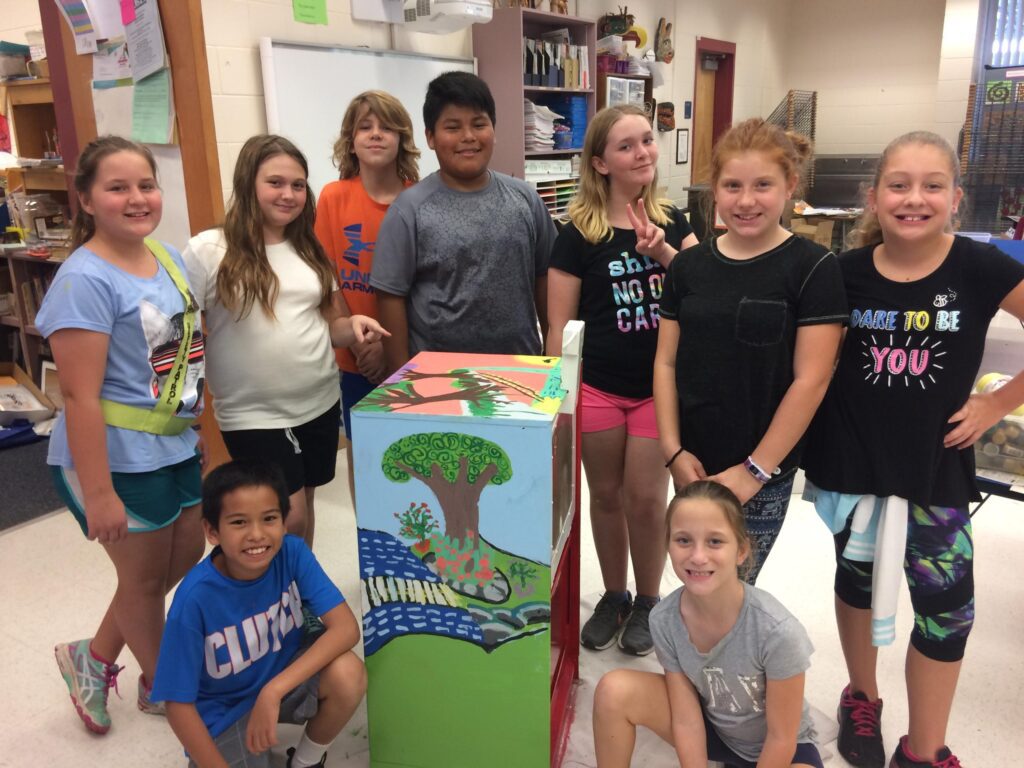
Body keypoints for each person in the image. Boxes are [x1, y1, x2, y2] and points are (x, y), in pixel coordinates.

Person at [802, 131, 1024, 768]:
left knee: (947, 611)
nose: (913, 199)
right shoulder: (839, 273)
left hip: (938, 468)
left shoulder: (980, 269)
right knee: (858, 580)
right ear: (873, 198)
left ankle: (924, 749)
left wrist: (997, 402)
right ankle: (861, 694)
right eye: (898, 185)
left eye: (932, 186)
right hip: (855, 465)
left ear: (956, 197)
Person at [38, 135, 207, 734]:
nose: (136, 198)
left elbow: (179, 354)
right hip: (118, 456)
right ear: (85, 199)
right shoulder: (84, 281)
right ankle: (167, 689)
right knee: (140, 582)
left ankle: (93, 655)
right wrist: (100, 491)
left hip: (174, 442)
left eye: (146, 185)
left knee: (183, 555)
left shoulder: (165, 256)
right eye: (117, 188)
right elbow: (79, 396)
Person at [652, 117, 847, 582]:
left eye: (763, 185)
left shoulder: (813, 268)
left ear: (789, 186)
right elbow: (665, 361)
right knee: (693, 581)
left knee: (735, 589)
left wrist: (754, 471)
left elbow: (812, 379)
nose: (746, 200)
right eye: (732, 185)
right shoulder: (689, 267)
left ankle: (725, 660)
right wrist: (673, 451)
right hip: (692, 464)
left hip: (762, 471)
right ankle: (688, 658)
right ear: (713, 191)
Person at [183, 135, 387, 547]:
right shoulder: (209, 250)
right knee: (284, 517)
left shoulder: (309, 248)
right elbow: (183, 335)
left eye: (297, 184)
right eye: (275, 182)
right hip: (253, 411)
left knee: (304, 507)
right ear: (248, 183)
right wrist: (187, 418)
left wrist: (355, 325)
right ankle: (275, 601)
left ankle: (296, 599)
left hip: (319, 401)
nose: (288, 194)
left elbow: (331, 325)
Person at [546, 105, 698, 656]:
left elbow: (702, 297)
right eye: (628, 146)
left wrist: (661, 251)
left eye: (648, 142)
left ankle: (650, 599)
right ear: (600, 163)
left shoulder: (676, 222)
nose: (644, 154)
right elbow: (558, 327)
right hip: (598, 387)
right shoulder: (576, 235)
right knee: (605, 495)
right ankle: (614, 594)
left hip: (657, 390)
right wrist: (557, 400)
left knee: (645, 497)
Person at [152, 458, 367, 768]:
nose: (257, 534)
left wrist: (273, 690)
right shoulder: (194, 600)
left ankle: (306, 762)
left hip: (281, 675)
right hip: (225, 708)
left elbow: (346, 629)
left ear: (283, 520)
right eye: (239, 522)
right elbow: (177, 704)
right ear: (212, 531)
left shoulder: (291, 552)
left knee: (348, 674)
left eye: (269, 518)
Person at [593, 481, 823, 768]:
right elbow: (686, 719)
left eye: (715, 541)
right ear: (668, 545)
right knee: (613, 691)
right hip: (717, 734)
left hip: (785, 752)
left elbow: (781, 738)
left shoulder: (778, 631)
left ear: (741, 550)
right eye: (683, 540)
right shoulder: (663, 619)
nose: (698, 556)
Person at [371, 71, 554, 373]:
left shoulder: (526, 199)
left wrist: (553, 361)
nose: (468, 137)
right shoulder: (409, 210)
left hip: (521, 372)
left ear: (494, 129)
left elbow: (545, 278)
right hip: (438, 380)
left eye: (479, 124)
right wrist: (402, 379)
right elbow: (390, 297)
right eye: (452, 127)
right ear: (430, 137)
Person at [314, 90, 419, 504]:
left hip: (409, 355)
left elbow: (422, 286)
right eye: (365, 126)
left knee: (412, 459)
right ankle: (373, 553)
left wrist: (389, 351)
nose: (376, 135)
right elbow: (329, 280)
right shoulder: (332, 197)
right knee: (367, 456)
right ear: (350, 139)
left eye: (386, 127)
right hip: (355, 360)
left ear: (402, 139)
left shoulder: (419, 199)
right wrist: (361, 347)